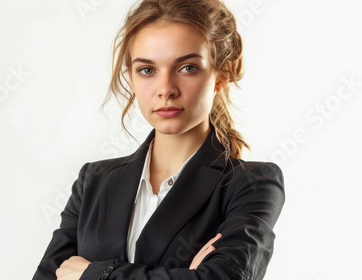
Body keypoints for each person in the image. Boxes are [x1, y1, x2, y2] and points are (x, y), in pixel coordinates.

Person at [33, 0, 285, 279]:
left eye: (187, 68)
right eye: (147, 70)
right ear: (130, 78)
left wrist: (94, 274)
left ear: (220, 76)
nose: (165, 89)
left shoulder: (252, 184)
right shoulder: (94, 180)